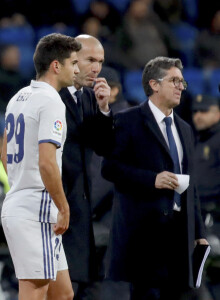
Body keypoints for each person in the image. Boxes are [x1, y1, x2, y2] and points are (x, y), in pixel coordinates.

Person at [102, 56, 208, 300]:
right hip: (143, 238)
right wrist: (152, 179)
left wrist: (199, 231)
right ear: (154, 84)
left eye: (182, 82)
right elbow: (110, 169)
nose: (181, 86)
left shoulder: (185, 128)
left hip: (179, 236)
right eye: (174, 80)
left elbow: (190, 185)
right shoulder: (127, 121)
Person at [0, 33, 81, 300]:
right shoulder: (51, 101)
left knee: (63, 294)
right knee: (35, 290)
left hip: (22, 203)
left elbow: (4, 157)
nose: (77, 69)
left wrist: (22, 187)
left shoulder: (18, 98)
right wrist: (63, 205)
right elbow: (46, 163)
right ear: (56, 66)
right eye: (73, 63)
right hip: (37, 208)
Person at [59, 34, 113, 299]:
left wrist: (103, 110)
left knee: (80, 287)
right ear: (72, 60)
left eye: (100, 62)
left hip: (80, 208)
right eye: (90, 60)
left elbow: (102, 147)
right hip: (57, 206)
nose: (97, 68)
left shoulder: (89, 98)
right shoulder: (51, 95)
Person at [192, 94, 220, 209]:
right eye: (195, 111)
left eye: (204, 111)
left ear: (218, 114)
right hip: (201, 211)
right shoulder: (198, 140)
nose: (198, 116)